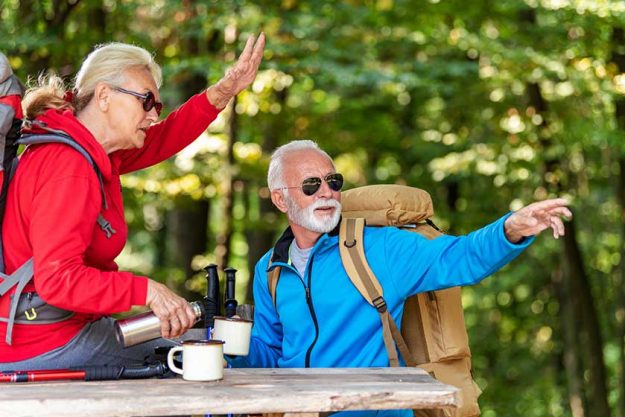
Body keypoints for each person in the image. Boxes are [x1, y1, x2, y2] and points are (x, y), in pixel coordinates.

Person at [229, 139, 571, 415]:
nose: (326, 192)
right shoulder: (270, 268)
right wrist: (223, 342)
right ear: (280, 199)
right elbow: (271, 354)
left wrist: (509, 230)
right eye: (310, 184)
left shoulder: (379, 248)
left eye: (333, 182)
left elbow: (458, 257)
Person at [0, 33, 265, 371]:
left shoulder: (87, 150)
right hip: (44, 340)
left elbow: (163, 138)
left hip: (60, 328)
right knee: (197, 362)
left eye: (157, 105)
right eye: (145, 101)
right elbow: (59, 280)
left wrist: (222, 92)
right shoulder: (70, 168)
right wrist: (147, 291)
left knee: (189, 348)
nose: (153, 114)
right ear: (104, 95)